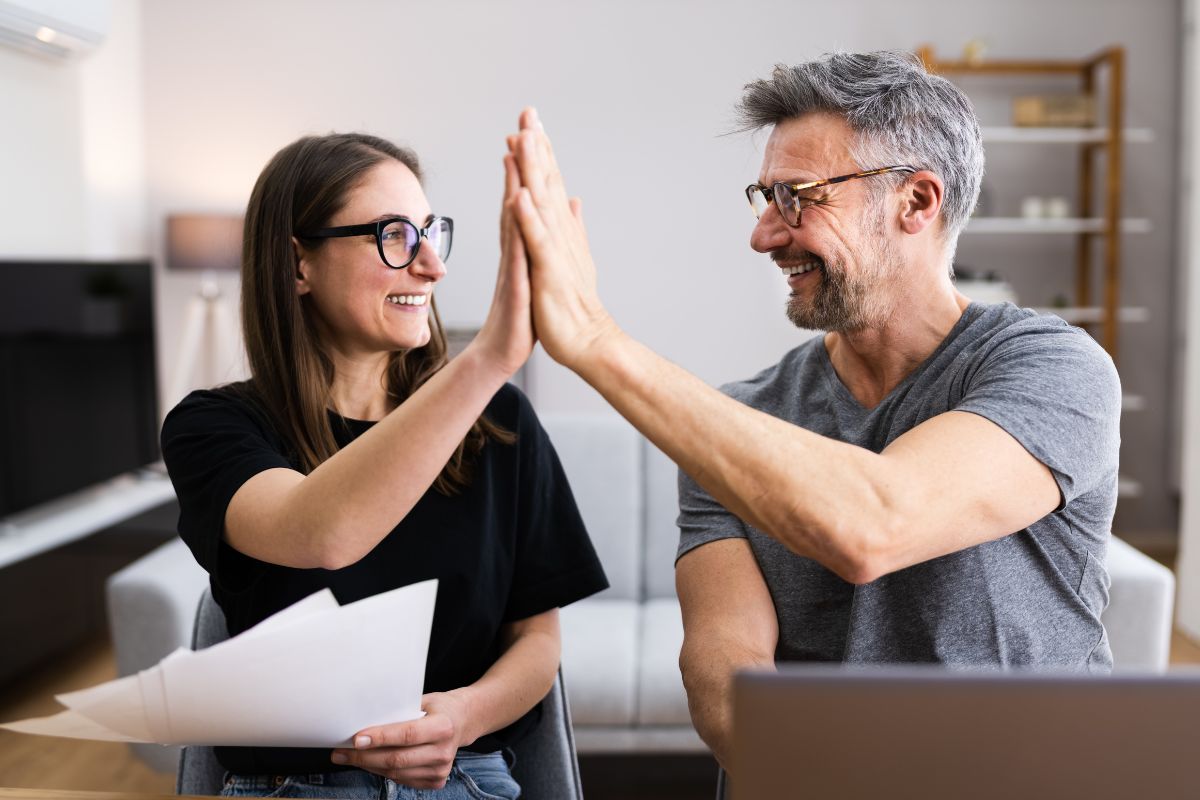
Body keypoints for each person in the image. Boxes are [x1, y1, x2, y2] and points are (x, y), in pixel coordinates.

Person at [505, 50, 1120, 772]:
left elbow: (873, 524)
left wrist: (597, 343)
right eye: (764, 198)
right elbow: (723, 665)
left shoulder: (1053, 369)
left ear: (917, 202)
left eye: (798, 196)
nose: (765, 235)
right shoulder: (741, 423)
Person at [160, 132, 608, 799]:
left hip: (465, 779)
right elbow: (321, 533)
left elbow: (538, 644)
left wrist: (460, 717)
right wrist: (488, 357)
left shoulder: (500, 425)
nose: (431, 266)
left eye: (431, 232)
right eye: (393, 235)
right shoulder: (213, 428)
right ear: (297, 265)